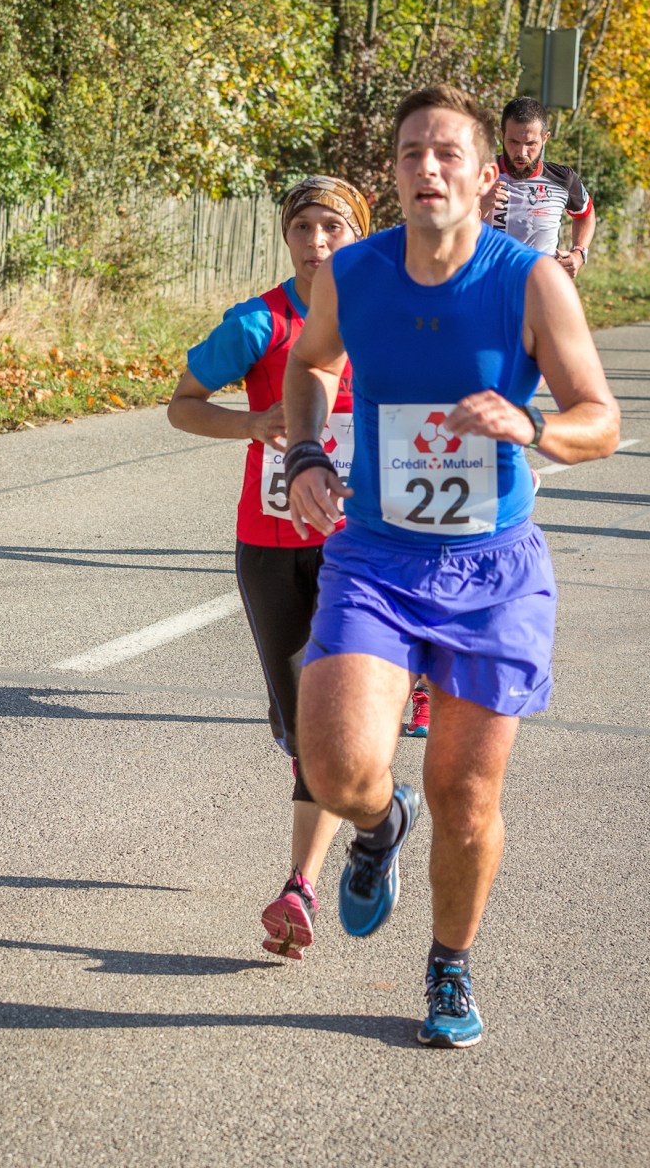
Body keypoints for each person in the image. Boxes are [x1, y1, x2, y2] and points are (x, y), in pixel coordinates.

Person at [282, 85, 619, 1047]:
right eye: (410, 154)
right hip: (377, 558)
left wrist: (534, 426)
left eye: (446, 154)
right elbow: (311, 365)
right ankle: (378, 827)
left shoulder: (532, 281)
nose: (426, 167)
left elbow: (601, 418)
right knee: (336, 770)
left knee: (467, 800)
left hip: (493, 569)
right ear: (394, 175)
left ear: (483, 178)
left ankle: (449, 965)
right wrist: (305, 454)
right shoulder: (354, 272)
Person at [167, 175, 371, 962]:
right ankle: (372, 802)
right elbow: (183, 402)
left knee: (325, 728)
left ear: (358, 233)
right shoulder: (261, 322)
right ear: (286, 237)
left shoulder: (385, 318)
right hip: (272, 545)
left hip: (361, 549)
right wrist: (252, 422)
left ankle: (300, 887)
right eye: (302, 228)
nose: (316, 243)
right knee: (301, 731)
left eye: (333, 227)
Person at [481, 95, 596, 278]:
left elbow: (585, 214)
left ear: (545, 138)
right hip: (487, 283)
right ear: (502, 135)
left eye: (531, 144)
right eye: (513, 142)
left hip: (541, 285)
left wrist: (579, 253)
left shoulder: (563, 179)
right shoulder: (480, 174)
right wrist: (478, 208)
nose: (521, 152)